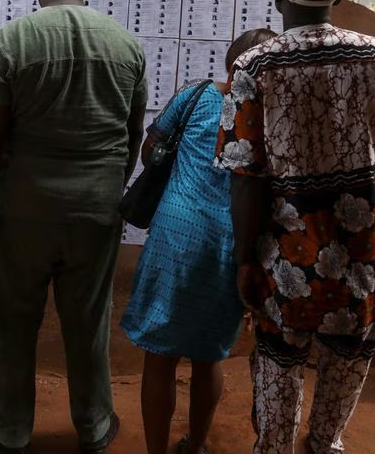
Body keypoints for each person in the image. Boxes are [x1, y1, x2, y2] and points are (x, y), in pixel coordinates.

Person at [216, 0, 375, 454]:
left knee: (278, 366)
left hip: (286, 263)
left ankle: (276, 447)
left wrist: (244, 260)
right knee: (347, 365)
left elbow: (245, 177)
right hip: (367, 257)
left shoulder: (255, 66)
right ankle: (326, 443)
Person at [0, 0, 148, 454]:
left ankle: (12, 432)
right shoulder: (126, 45)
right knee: (88, 325)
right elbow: (133, 134)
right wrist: (108, 189)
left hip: (22, 212)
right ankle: (94, 426)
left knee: (13, 326)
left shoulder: (12, 42)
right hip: (96, 211)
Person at [121, 29, 277, 454]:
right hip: (231, 242)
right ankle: (195, 446)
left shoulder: (196, 95)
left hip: (175, 235)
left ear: (230, 63)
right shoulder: (271, 117)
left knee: (160, 355)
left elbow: (151, 148)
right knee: (209, 356)